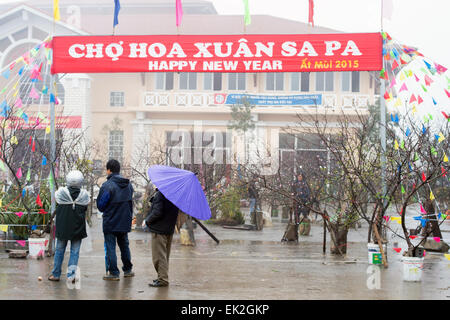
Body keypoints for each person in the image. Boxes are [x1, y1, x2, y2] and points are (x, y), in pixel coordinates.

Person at [48, 170, 90, 282]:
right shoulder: (84, 195)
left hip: (63, 227)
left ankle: (56, 274)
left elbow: (57, 203)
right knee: (75, 252)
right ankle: (71, 276)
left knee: (59, 250)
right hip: (78, 228)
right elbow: (85, 208)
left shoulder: (61, 193)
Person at [97, 159, 134, 281]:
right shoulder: (128, 185)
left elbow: (101, 206)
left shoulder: (107, 186)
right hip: (124, 221)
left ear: (109, 170)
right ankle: (128, 270)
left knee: (111, 247)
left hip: (111, 222)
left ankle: (113, 273)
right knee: (124, 246)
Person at [144, 188, 179, 287]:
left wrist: (147, 221)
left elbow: (157, 212)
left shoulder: (161, 194)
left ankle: (163, 279)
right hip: (169, 229)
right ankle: (161, 277)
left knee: (159, 257)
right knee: (164, 256)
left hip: (159, 230)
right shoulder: (174, 194)